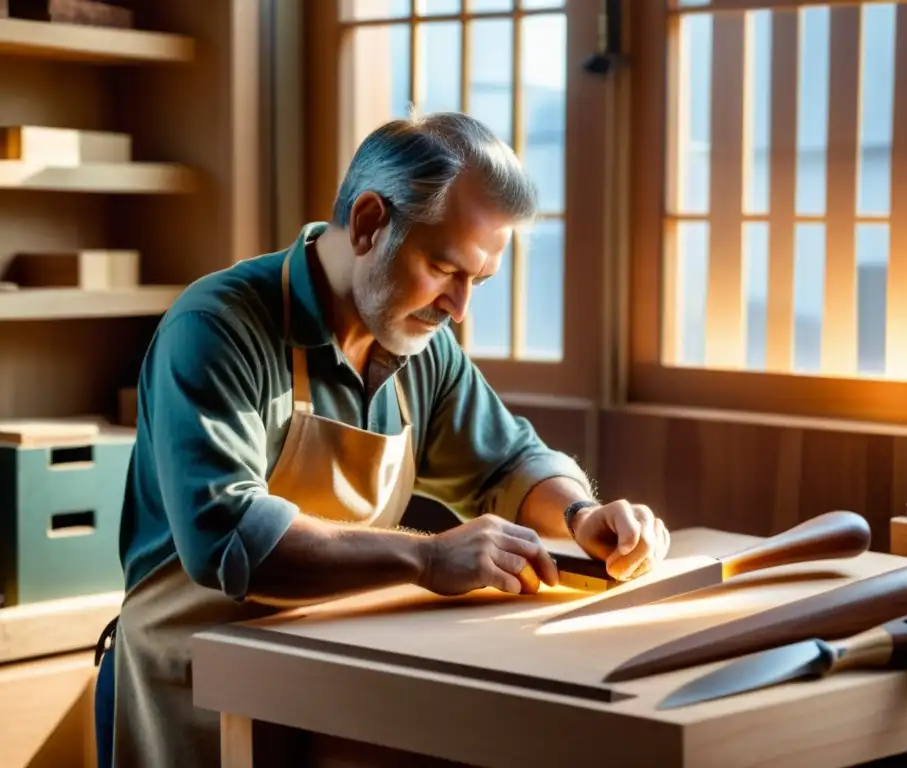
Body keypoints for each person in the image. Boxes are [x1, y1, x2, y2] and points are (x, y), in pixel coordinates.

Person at [93, 112, 670, 768]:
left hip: (330, 685)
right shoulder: (217, 329)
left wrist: (581, 514)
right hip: (189, 689)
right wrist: (426, 559)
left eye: (476, 283)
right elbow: (229, 538)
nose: (458, 309)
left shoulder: (422, 347)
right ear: (369, 223)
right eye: (444, 268)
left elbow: (507, 462)